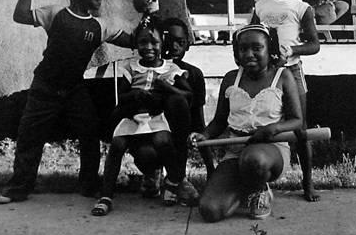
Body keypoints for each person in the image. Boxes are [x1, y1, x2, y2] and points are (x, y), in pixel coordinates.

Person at [0, 0, 133, 204]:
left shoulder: (100, 26)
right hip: (45, 87)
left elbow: (133, 41)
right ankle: (18, 187)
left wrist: (150, 16)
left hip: (74, 89)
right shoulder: (56, 13)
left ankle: (89, 184)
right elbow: (20, 15)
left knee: (90, 132)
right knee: (30, 136)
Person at [193, 24, 305, 222]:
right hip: (235, 152)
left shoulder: (282, 76)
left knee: (253, 159)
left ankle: (260, 190)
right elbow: (219, 121)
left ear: (269, 49)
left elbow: (297, 120)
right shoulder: (230, 79)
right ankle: (245, 188)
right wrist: (205, 135)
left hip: (270, 149)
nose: (249, 54)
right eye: (243, 49)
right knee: (210, 211)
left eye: (256, 48)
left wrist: (274, 128)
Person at [92, 21, 193, 216]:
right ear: (136, 44)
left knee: (163, 140)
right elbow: (120, 96)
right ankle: (106, 196)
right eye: (143, 42)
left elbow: (187, 94)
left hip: (156, 116)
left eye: (154, 43)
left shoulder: (170, 69)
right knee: (118, 145)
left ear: (162, 43)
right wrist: (136, 95)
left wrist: (166, 88)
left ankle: (173, 180)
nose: (148, 48)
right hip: (132, 114)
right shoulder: (131, 67)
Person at [251, 0, 320, 202]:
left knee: (300, 129)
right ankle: (256, 175)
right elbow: (250, 35)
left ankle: (308, 182)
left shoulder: (301, 8)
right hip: (265, 74)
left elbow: (314, 45)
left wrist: (293, 50)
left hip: (291, 71)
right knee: (258, 123)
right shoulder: (261, 6)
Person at [161, 16, 210, 172]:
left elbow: (198, 121)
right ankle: (153, 173)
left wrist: (210, 167)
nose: (174, 47)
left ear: (188, 45)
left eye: (180, 42)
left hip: (182, 133)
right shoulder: (152, 72)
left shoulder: (194, 74)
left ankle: (178, 178)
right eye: (169, 42)